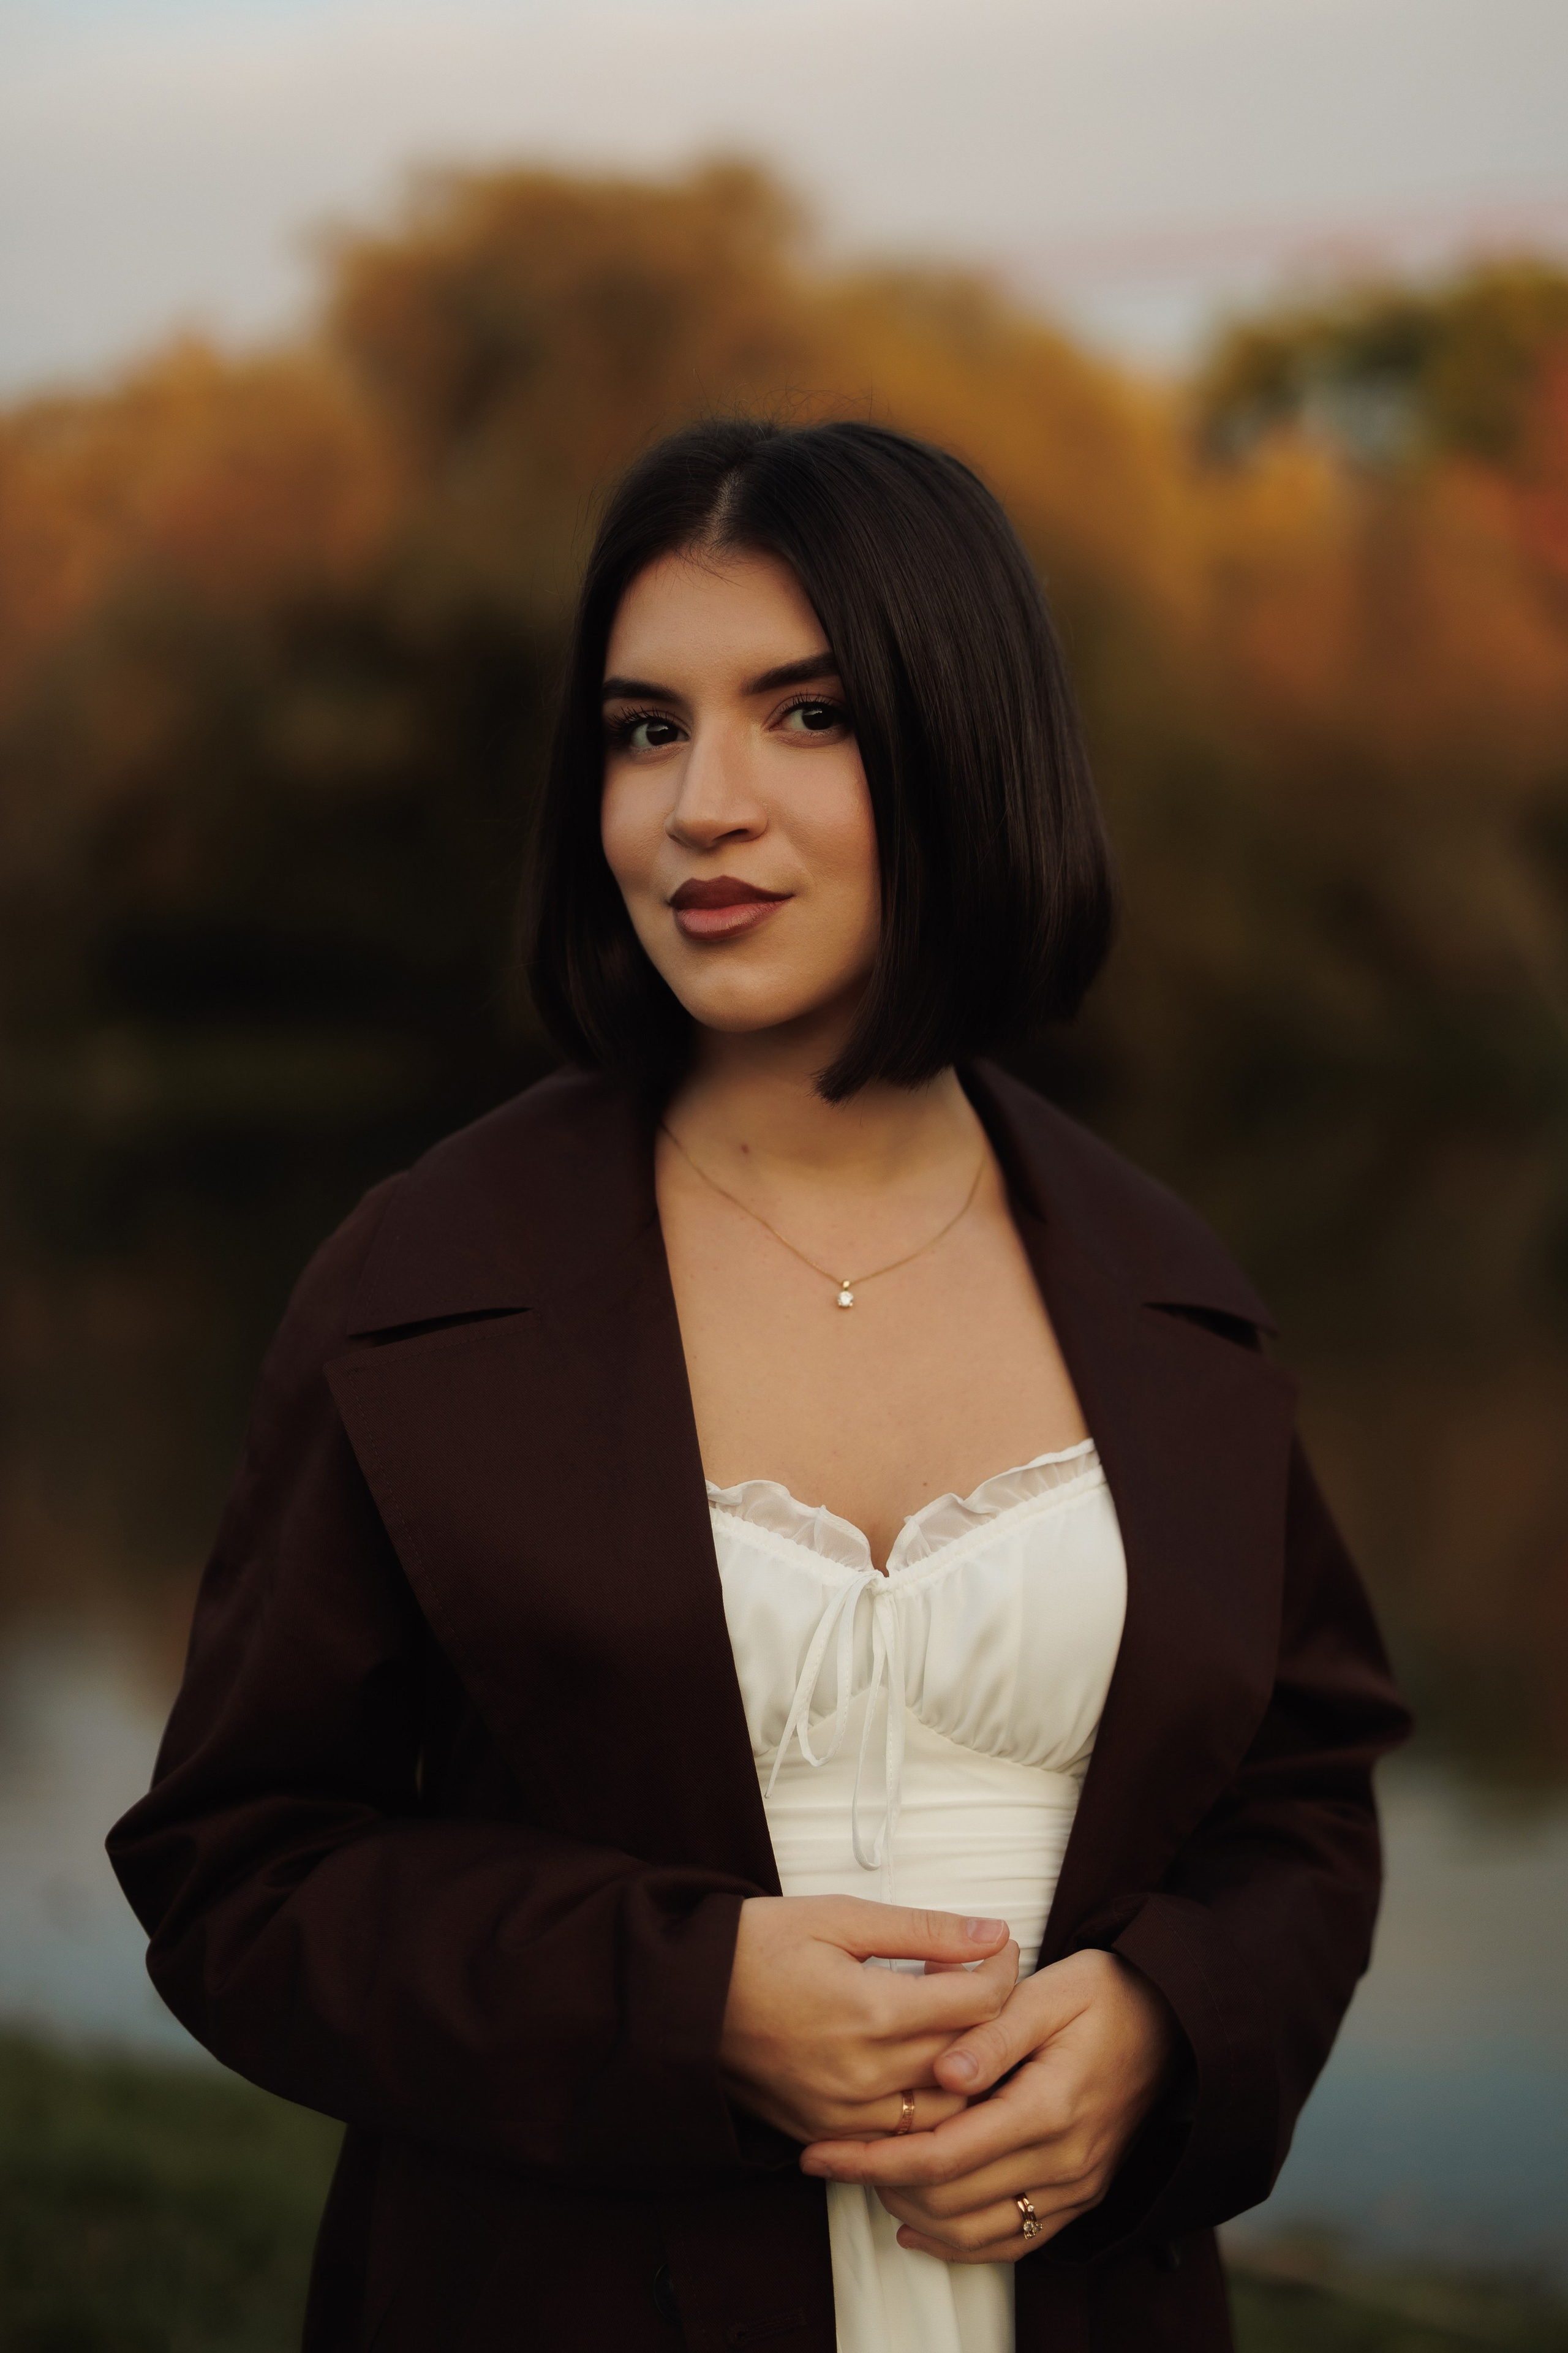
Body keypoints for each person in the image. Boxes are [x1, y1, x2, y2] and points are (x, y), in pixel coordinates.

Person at [108, 417, 1410, 2353]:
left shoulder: (1171, 1294)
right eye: (647, 729)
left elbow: (1299, 1809)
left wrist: (1164, 2035)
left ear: (965, 741)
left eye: (804, 715)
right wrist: (685, 1994)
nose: (701, 805)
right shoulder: (421, 1283)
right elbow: (240, 1875)